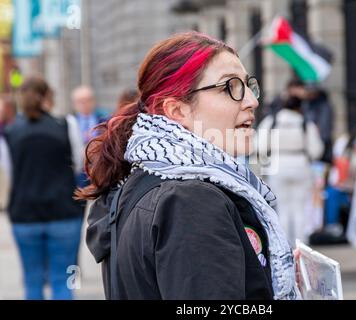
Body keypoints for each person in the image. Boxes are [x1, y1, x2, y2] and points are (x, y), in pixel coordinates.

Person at [79, 32, 301, 300]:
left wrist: (271, 278)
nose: (252, 101)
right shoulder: (192, 201)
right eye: (229, 86)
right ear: (177, 110)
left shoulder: (147, 179)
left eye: (247, 84)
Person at [3, 77, 85, 300]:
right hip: (64, 212)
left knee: (32, 281)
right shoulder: (67, 125)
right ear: (48, 97)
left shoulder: (10, 133)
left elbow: (10, 173)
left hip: (25, 214)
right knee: (64, 281)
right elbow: (79, 164)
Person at [255, 84, 324, 244]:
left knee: (283, 209)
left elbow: (259, 146)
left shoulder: (272, 121)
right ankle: (302, 247)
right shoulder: (305, 124)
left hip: (277, 164)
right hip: (300, 165)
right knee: (300, 209)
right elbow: (316, 150)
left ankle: (284, 246)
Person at [71, 86, 109, 187]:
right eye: (80, 101)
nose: (84, 104)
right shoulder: (70, 122)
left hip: (100, 168)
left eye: (88, 100)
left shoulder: (104, 119)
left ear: (93, 101)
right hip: (79, 171)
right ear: (74, 104)